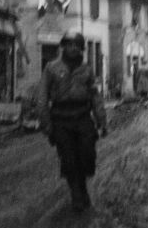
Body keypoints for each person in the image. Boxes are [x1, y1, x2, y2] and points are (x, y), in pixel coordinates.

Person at [37, 28, 107, 213]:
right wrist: (47, 125)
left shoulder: (87, 70)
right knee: (68, 158)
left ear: (82, 49)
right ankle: (76, 193)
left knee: (87, 154)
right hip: (61, 119)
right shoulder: (51, 68)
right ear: (63, 47)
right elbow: (42, 98)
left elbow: (95, 97)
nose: (73, 49)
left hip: (83, 117)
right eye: (69, 45)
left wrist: (101, 120)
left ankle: (82, 187)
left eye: (77, 45)